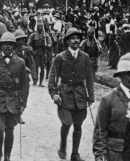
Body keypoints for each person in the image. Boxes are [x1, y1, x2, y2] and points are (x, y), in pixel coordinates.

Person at [0, 32, 29, 161]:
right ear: (0, 46)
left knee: (10, 130)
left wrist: (23, 103)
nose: (8, 47)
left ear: (14, 47)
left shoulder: (20, 63)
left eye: (11, 45)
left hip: (13, 101)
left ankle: (7, 156)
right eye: (5, 44)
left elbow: (25, 85)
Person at [48, 27, 94, 161]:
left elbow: (90, 78)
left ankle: (75, 153)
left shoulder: (85, 57)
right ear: (67, 41)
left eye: (77, 38)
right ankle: (63, 145)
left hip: (80, 94)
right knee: (67, 122)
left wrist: (90, 96)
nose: (75, 41)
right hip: (65, 94)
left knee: (78, 124)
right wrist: (54, 93)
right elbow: (53, 77)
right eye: (72, 38)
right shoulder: (60, 57)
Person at [93, 53, 130, 161]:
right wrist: (100, 157)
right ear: (120, 75)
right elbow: (100, 132)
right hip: (116, 154)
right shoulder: (108, 99)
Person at [27, 19, 50, 87]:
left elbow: (50, 43)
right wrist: (32, 50)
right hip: (35, 53)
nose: (40, 28)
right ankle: (35, 80)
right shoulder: (33, 35)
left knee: (42, 68)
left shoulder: (46, 35)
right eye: (39, 26)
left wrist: (47, 45)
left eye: (41, 26)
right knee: (36, 67)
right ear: (37, 27)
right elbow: (29, 44)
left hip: (43, 53)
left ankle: (40, 82)